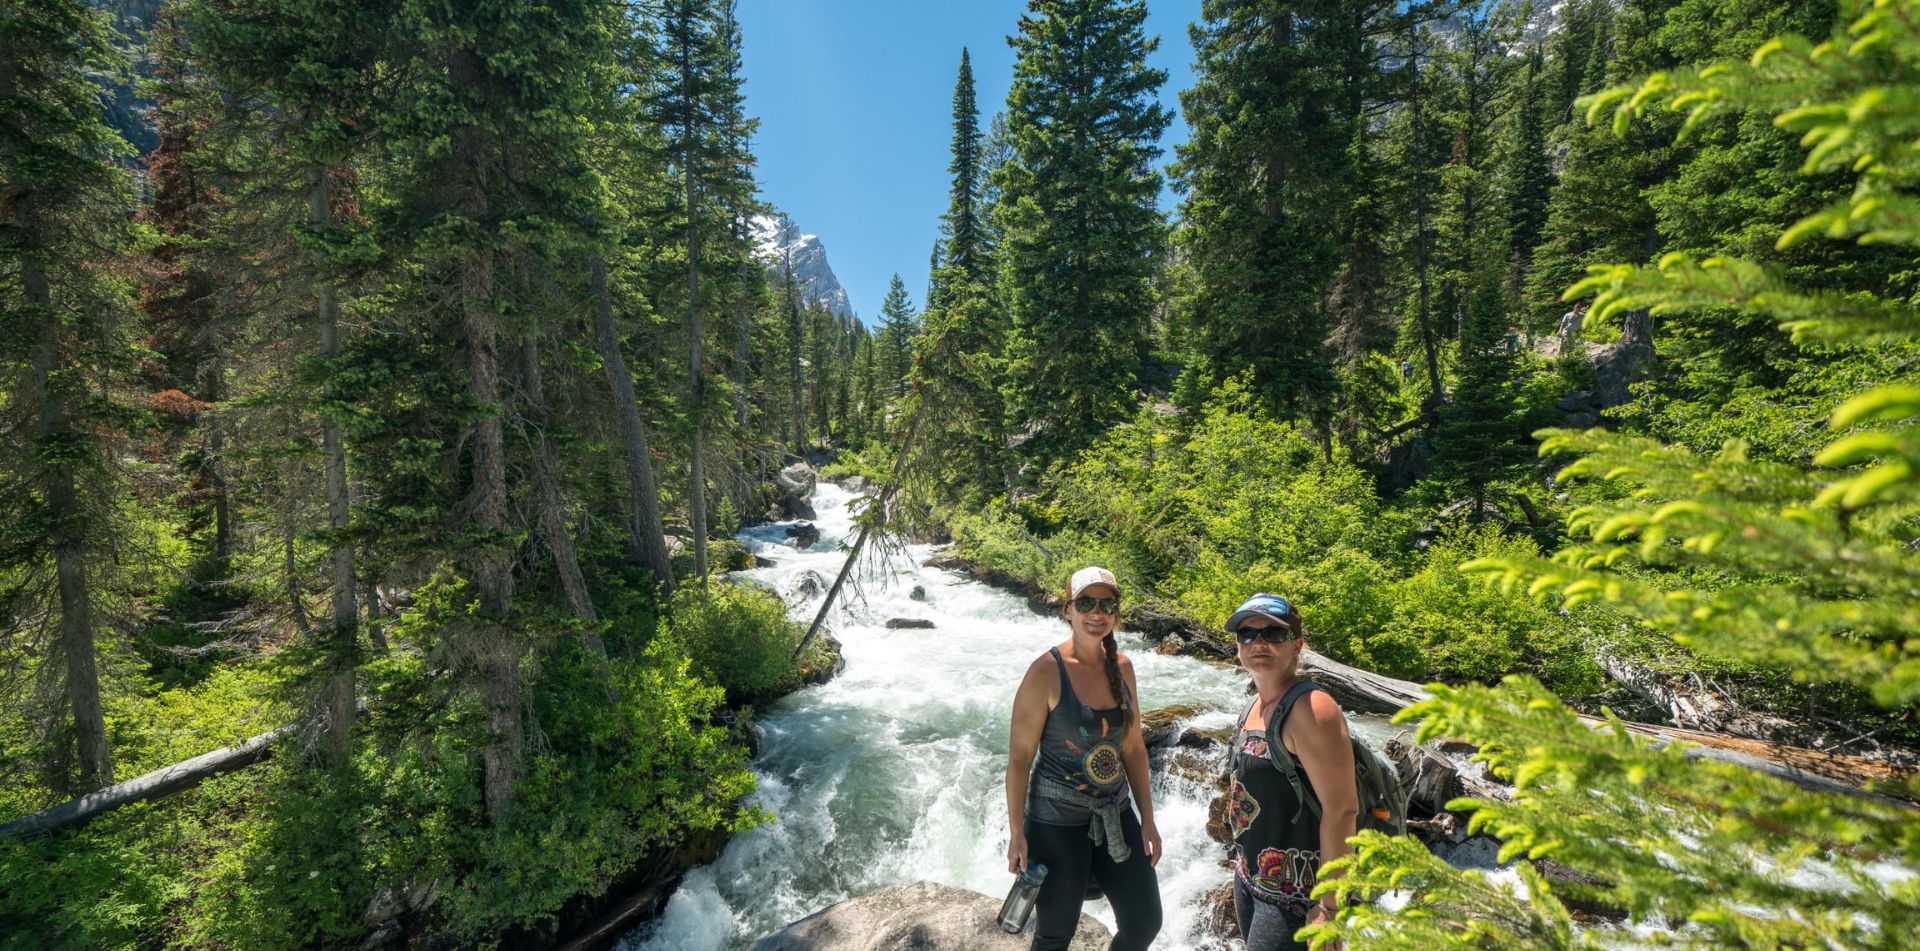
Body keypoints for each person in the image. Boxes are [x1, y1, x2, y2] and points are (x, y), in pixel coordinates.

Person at [1005, 565, 1162, 950]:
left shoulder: (1123, 668)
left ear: (1117, 613)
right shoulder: (1045, 671)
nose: (1097, 613)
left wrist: (1148, 821)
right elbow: (1020, 759)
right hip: (1055, 820)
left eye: (1107, 604)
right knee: (1056, 932)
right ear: (1067, 610)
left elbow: (1134, 748)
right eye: (1086, 603)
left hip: (1116, 811)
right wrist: (1016, 833)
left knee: (1144, 923)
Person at [1224, 593, 1358, 951]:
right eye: (1247, 634)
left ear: (1297, 644)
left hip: (1297, 896)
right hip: (1251, 879)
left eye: (1273, 633)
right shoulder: (1253, 704)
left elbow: (1343, 809)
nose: (1258, 642)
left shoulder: (1312, 708)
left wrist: (1329, 906)